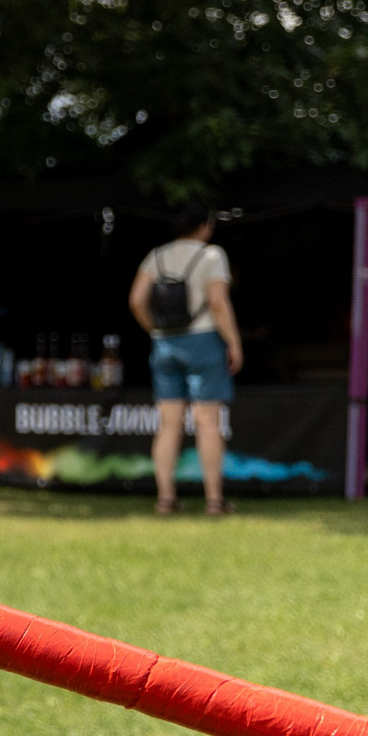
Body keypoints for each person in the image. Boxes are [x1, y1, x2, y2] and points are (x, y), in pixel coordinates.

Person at [128, 200, 241, 517]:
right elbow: (218, 303)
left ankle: (165, 499)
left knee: (168, 424)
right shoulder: (212, 255)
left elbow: (136, 300)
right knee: (207, 422)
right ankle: (215, 501)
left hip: (164, 344)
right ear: (205, 225)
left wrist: (154, 329)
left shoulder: (157, 256)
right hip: (204, 341)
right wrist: (233, 342)